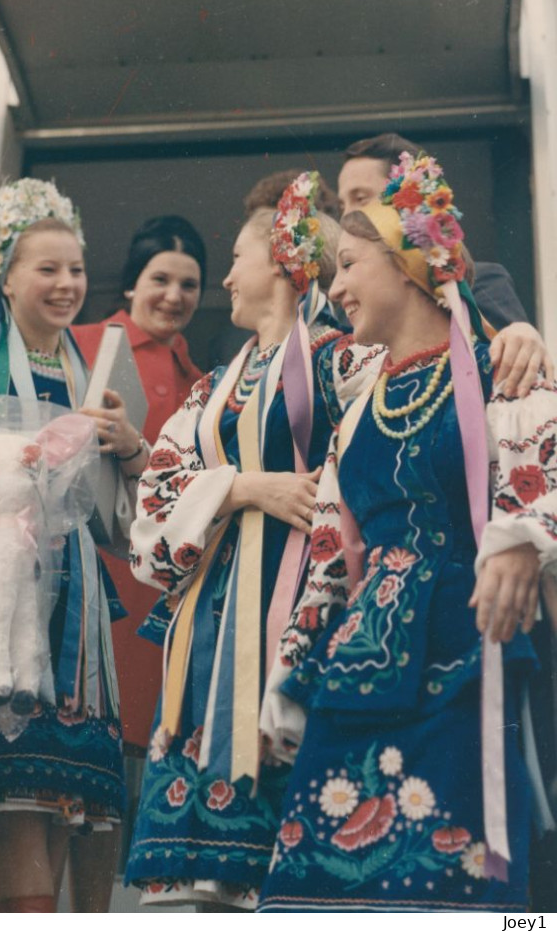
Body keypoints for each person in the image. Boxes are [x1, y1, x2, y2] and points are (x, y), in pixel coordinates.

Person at [257, 152, 556, 912]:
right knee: (319, 882)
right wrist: (290, 669)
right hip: (359, 664)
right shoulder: (358, 405)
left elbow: (536, 458)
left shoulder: (499, 372)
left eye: (350, 264)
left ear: (411, 267)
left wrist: (521, 536)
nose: (336, 287)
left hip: (467, 644)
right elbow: (331, 552)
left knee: (451, 878)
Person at [123, 172, 390, 909]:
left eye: (238, 259)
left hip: (297, 617)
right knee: (191, 890)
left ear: (279, 259)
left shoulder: (346, 360)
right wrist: (243, 487)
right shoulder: (210, 390)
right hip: (208, 636)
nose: (227, 278)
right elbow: (152, 506)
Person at [0, 178, 130, 914]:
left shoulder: (94, 373)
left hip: (76, 609)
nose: (67, 283)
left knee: (51, 820)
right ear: (3, 274)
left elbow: (119, 515)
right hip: (3, 606)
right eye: (46, 268)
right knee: (17, 812)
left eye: (75, 269)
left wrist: (128, 450)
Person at [71, 216, 205, 907]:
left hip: (163, 592)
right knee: (93, 752)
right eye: (161, 278)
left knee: (136, 759)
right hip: (99, 574)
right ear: (131, 282)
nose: (174, 294)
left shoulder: (204, 379)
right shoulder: (87, 345)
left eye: (189, 283)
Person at [338, 133, 531, 334]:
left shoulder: (480, 284)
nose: (345, 217)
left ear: (407, 198)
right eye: (341, 205)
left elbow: (512, 356)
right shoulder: (348, 305)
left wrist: (521, 335)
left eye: (360, 198)